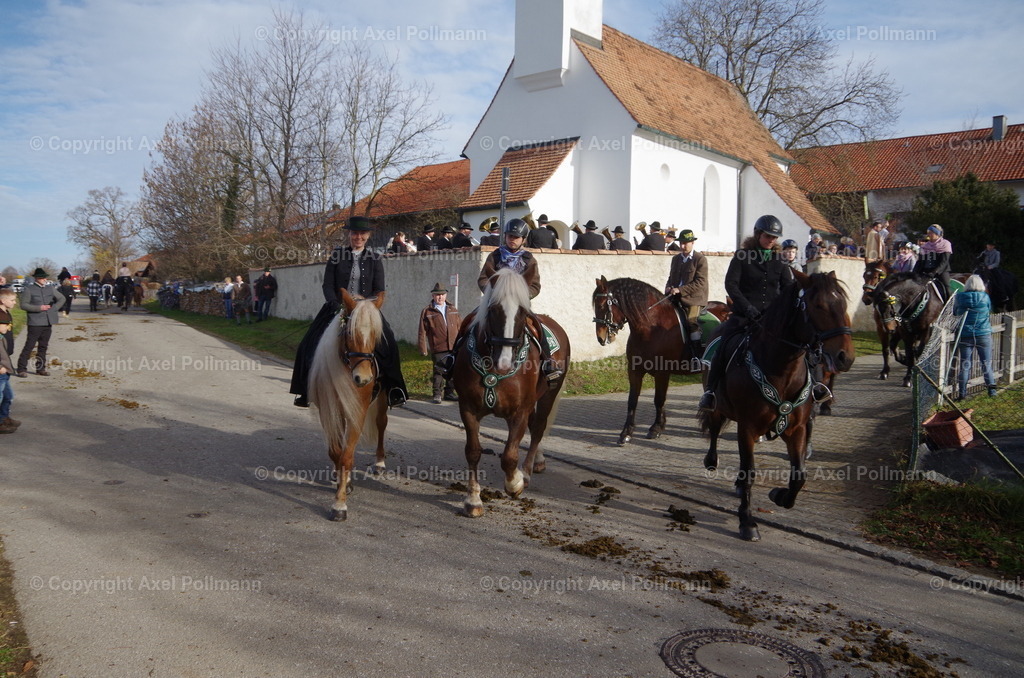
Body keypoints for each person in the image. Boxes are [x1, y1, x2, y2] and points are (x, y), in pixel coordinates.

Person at [289, 215, 407, 408]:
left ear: (368, 235)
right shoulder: (336, 256)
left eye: (362, 233)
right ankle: (304, 390)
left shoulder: (375, 259)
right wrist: (335, 304)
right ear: (349, 234)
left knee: (389, 342)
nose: (358, 237)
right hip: (338, 307)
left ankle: (394, 389)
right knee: (308, 343)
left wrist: (367, 306)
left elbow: (379, 289)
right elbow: (328, 285)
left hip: (366, 310)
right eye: (354, 233)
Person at [698, 215, 795, 411]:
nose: (771, 240)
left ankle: (814, 387)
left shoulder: (780, 260)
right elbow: (731, 284)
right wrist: (747, 307)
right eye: (767, 236)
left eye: (774, 237)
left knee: (799, 343)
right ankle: (710, 391)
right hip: (744, 315)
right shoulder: (742, 256)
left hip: (772, 318)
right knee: (724, 344)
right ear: (758, 234)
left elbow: (788, 288)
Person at [476, 218, 562, 382]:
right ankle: (452, 358)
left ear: (523, 239)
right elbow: (483, 278)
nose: (512, 240)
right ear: (505, 236)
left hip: (518, 305)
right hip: (496, 303)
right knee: (469, 322)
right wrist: (494, 292)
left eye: (516, 237)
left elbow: (535, 285)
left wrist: (521, 295)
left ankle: (548, 360)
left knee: (538, 326)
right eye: (510, 236)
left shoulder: (529, 259)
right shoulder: (495, 256)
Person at [664, 229, 709, 358]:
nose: (683, 246)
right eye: (681, 243)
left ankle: (696, 355)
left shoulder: (700, 259)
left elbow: (700, 282)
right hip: (675, 298)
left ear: (692, 243)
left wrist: (680, 290)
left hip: (694, 299)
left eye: (685, 243)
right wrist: (668, 287)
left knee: (691, 321)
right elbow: (671, 278)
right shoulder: (675, 259)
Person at [953, 275, 998, 400]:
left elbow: (955, 312)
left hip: (965, 334)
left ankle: (962, 394)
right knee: (986, 364)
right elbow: (989, 310)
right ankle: (992, 392)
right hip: (983, 333)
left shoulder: (959, 297)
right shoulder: (985, 297)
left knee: (965, 365)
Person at [15, 267, 65, 378]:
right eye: (42, 278)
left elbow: (62, 298)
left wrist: (54, 308)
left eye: (45, 278)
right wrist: (39, 308)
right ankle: (21, 368)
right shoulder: (29, 289)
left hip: (48, 322)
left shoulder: (50, 288)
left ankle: (40, 368)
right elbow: (23, 305)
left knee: (43, 346)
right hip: (35, 322)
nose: (45, 279)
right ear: (36, 278)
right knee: (29, 346)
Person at [418, 282, 461, 403]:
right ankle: (437, 394)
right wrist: (423, 348)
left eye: (442, 294)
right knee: (439, 370)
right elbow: (422, 331)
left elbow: (460, 326)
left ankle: (449, 393)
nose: (440, 297)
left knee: (453, 370)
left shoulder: (453, 309)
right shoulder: (427, 311)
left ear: (446, 295)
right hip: (438, 346)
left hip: (453, 345)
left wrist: (462, 343)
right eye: (437, 295)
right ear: (433, 296)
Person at [913, 224, 953, 302]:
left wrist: (935, 271)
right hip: (926, 271)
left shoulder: (945, 244)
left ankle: (950, 303)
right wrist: (914, 273)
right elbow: (920, 262)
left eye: (931, 233)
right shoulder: (925, 246)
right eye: (928, 233)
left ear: (937, 234)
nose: (928, 235)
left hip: (941, 271)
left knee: (946, 286)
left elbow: (944, 261)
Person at [0, 288, 20, 433]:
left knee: (8, 396)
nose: (14, 303)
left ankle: (4, 417)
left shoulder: (6, 313)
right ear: (2, 300)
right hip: (1, 365)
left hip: (5, 360)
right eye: (12, 300)